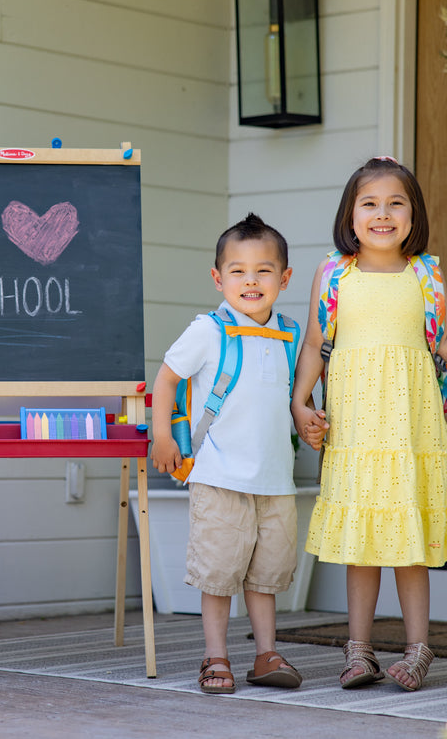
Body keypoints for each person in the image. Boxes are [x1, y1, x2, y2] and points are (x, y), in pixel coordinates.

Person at [292, 156, 447, 692]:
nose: (382, 214)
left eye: (396, 203)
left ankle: (419, 649)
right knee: (363, 545)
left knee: (408, 544)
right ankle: (359, 651)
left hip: (408, 429)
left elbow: (443, 348)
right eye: (369, 203)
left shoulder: (425, 272)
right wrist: (300, 401)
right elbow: (314, 343)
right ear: (350, 216)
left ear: (412, 213)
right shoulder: (334, 272)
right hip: (355, 431)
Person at [150, 213, 302, 695]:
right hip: (218, 476)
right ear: (218, 278)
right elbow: (167, 378)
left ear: (284, 278)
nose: (250, 281)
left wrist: (310, 420)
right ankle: (215, 656)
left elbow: (295, 397)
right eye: (237, 270)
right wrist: (162, 437)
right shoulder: (208, 330)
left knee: (265, 576)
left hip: (275, 480)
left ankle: (266, 653)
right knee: (218, 575)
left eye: (263, 270)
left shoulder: (292, 337)